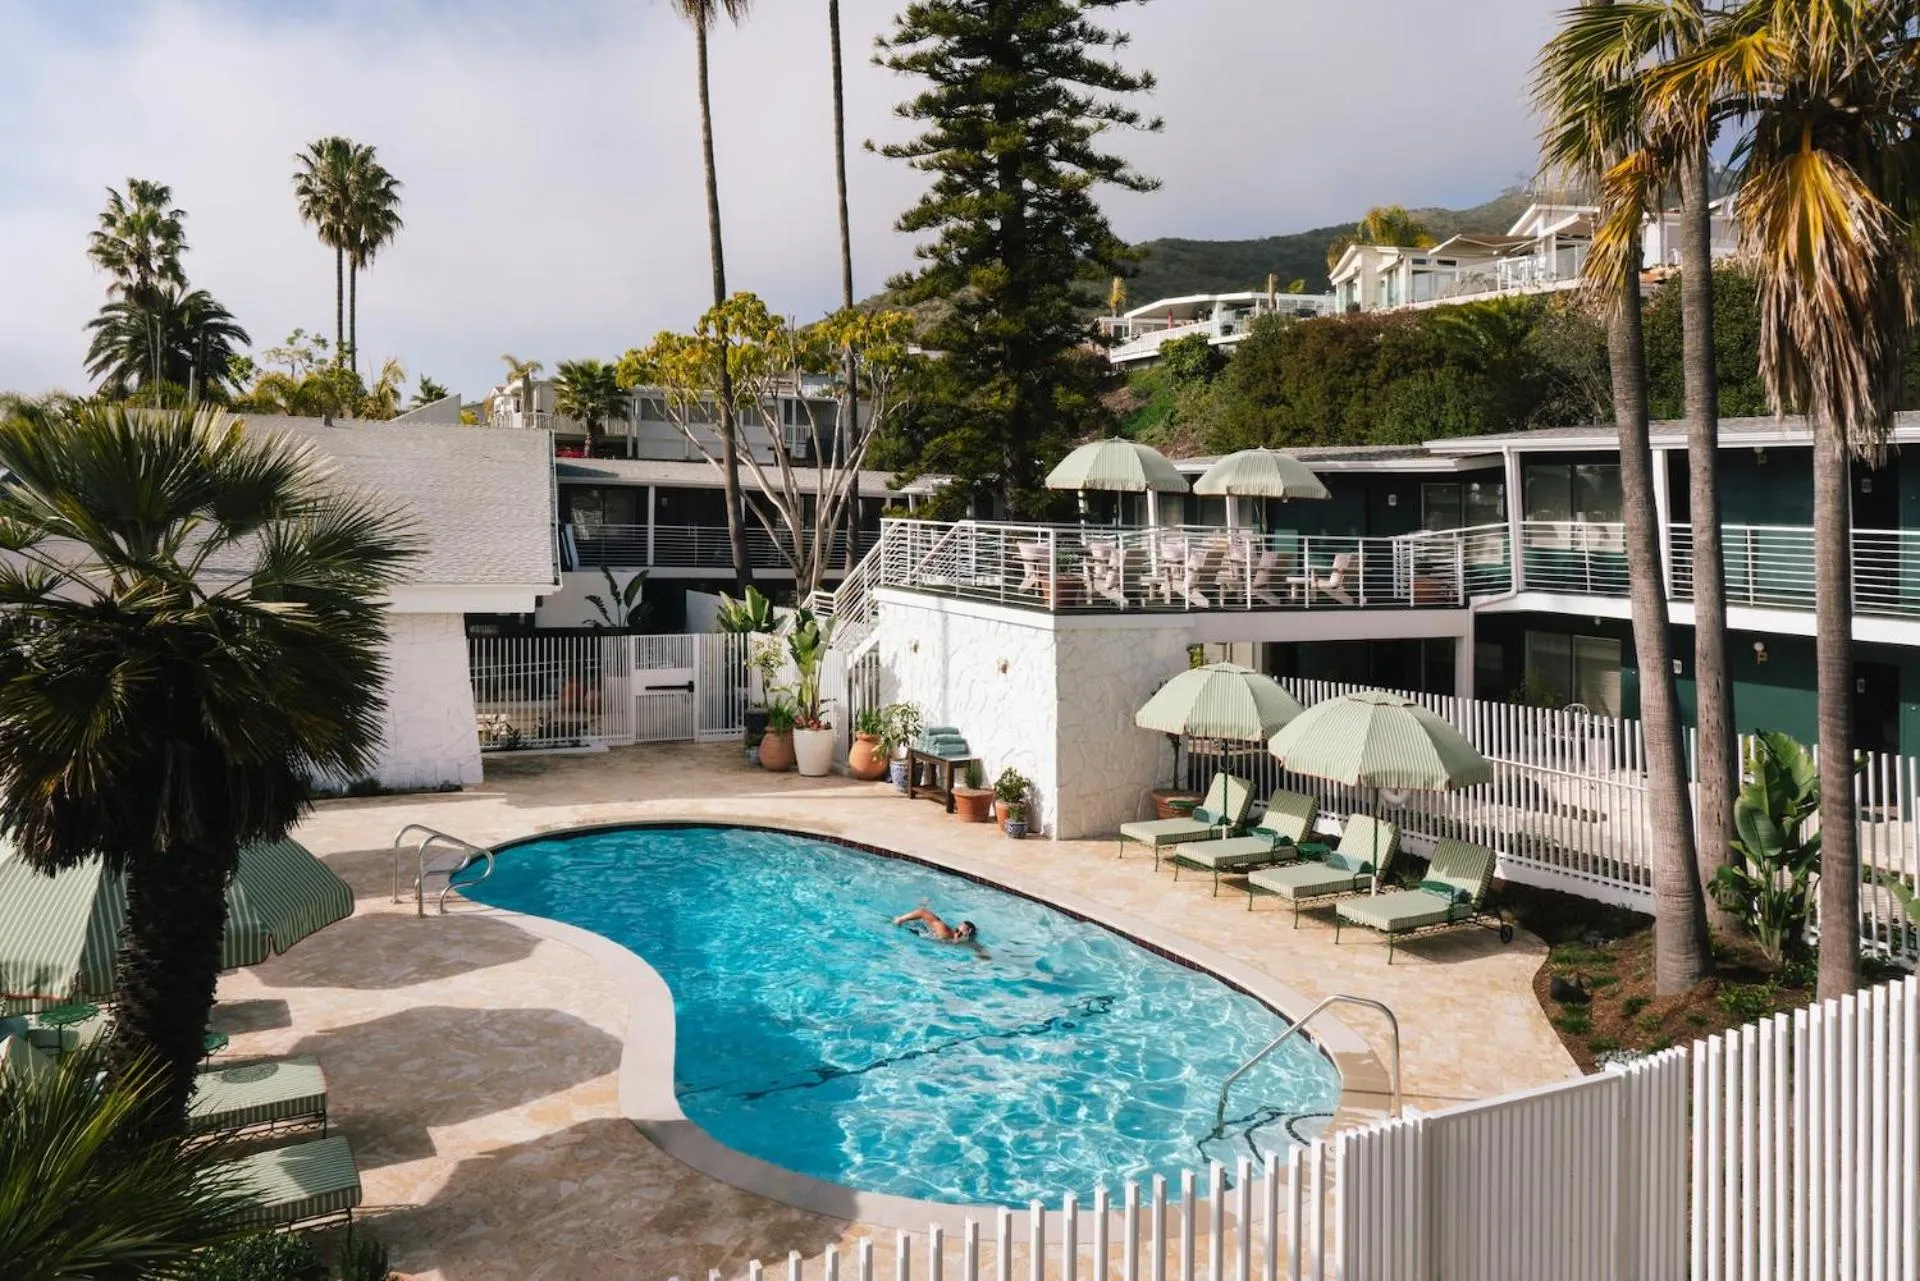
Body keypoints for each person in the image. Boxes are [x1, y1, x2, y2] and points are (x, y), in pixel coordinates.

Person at [893, 906, 977, 943]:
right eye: (957, 931)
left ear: (967, 937)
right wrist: (901, 919)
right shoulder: (943, 931)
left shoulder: (967, 942)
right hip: (919, 927)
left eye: (961, 934)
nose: (957, 935)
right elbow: (922, 912)